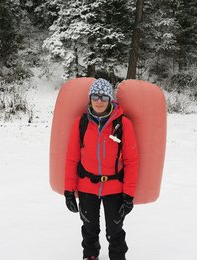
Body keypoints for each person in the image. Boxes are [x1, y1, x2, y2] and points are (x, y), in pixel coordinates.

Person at [64, 78, 139, 260]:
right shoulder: (81, 123)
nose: (99, 101)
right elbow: (72, 159)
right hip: (86, 187)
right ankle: (90, 256)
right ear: (90, 98)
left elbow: (131, 160)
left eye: (104, 97)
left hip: (115, 188)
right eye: (95, 96)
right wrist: (68, 191)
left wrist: (128, 195)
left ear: (110, 100)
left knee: (115, 231)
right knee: (89, 230)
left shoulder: (122, 124)